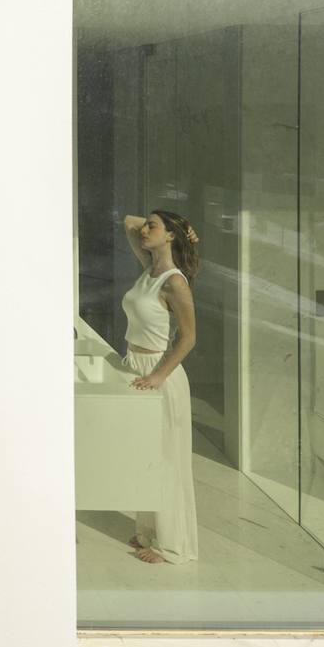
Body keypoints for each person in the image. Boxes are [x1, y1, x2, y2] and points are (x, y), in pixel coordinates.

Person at [121, 210, 200, 565]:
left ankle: (173, 545)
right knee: (144, 456)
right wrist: (176, 229)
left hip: (159, 373)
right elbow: (127, 221)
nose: (144, 230)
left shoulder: (173, 281)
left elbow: (188, 338)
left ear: (169, 237)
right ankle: (150, 531)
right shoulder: (149, 267)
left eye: (153, 226)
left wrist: (158, 376)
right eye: (148, 224)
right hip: (136, 368)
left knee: (167, 459)